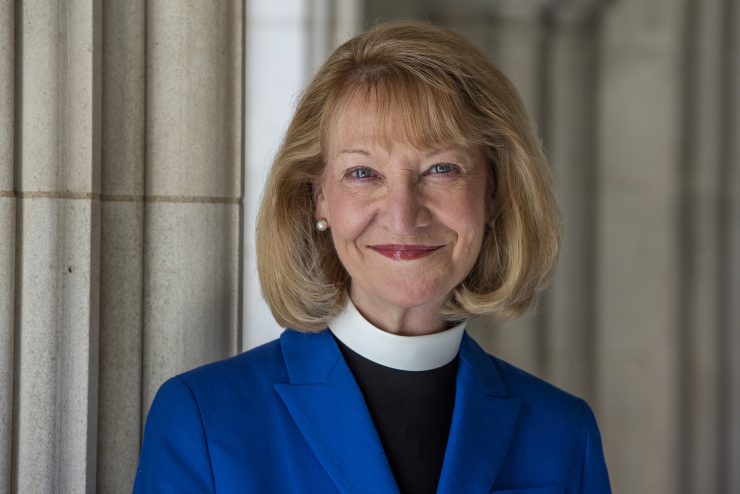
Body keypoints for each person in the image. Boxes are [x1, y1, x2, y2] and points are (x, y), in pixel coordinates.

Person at [133, 20, 611, 494]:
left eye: (441, 169)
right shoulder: (204, 419)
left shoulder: (565, 435)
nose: (403, 216)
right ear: (317, 197)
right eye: (363, 173)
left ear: (493, 194)